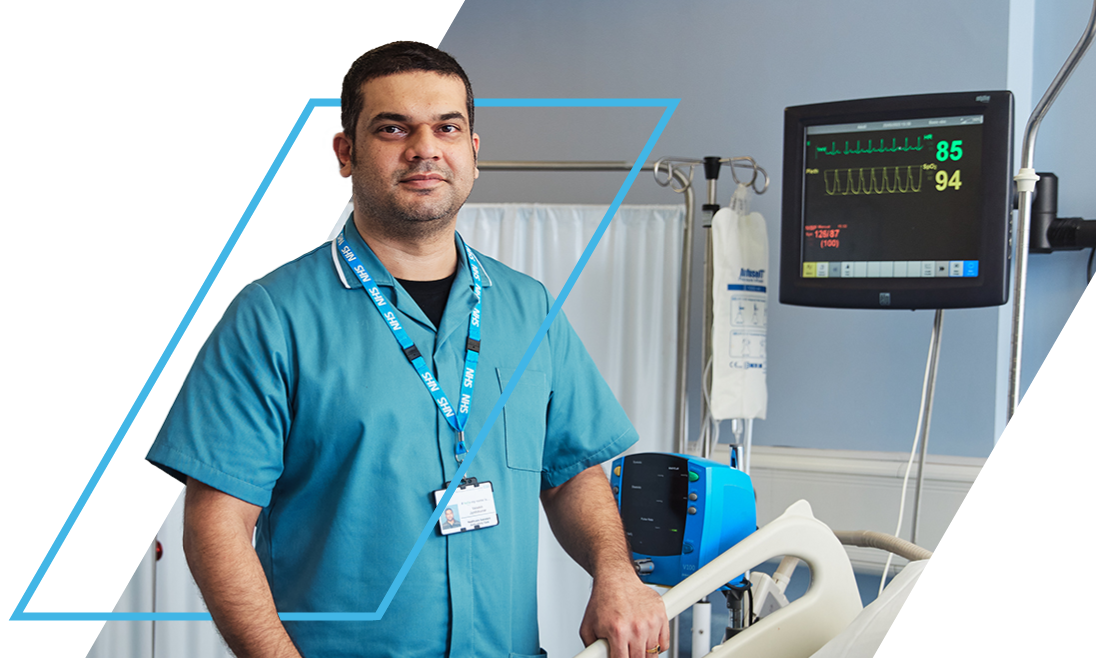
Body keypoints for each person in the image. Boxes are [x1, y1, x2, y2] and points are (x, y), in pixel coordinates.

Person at [146, 40, 669, 658]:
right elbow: (217, 524)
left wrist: (616, 574)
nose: (425, 148)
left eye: (447, 127)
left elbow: (572, 474)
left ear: (473, 153)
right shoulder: (271, 315)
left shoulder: (530, 309)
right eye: (393, 128)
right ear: (344, 153)